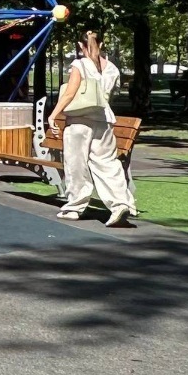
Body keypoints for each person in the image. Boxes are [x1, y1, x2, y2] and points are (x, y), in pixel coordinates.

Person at [48, 30, 137, 227]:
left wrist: (53, 115)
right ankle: (120, 203)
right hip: (103, 121)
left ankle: (75, 206)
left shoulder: (80, 64)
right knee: (108, 163)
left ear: (81, 46)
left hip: (79, 121)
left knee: (76, 164)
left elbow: (70, 93)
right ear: (102, 44)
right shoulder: (112, 69)